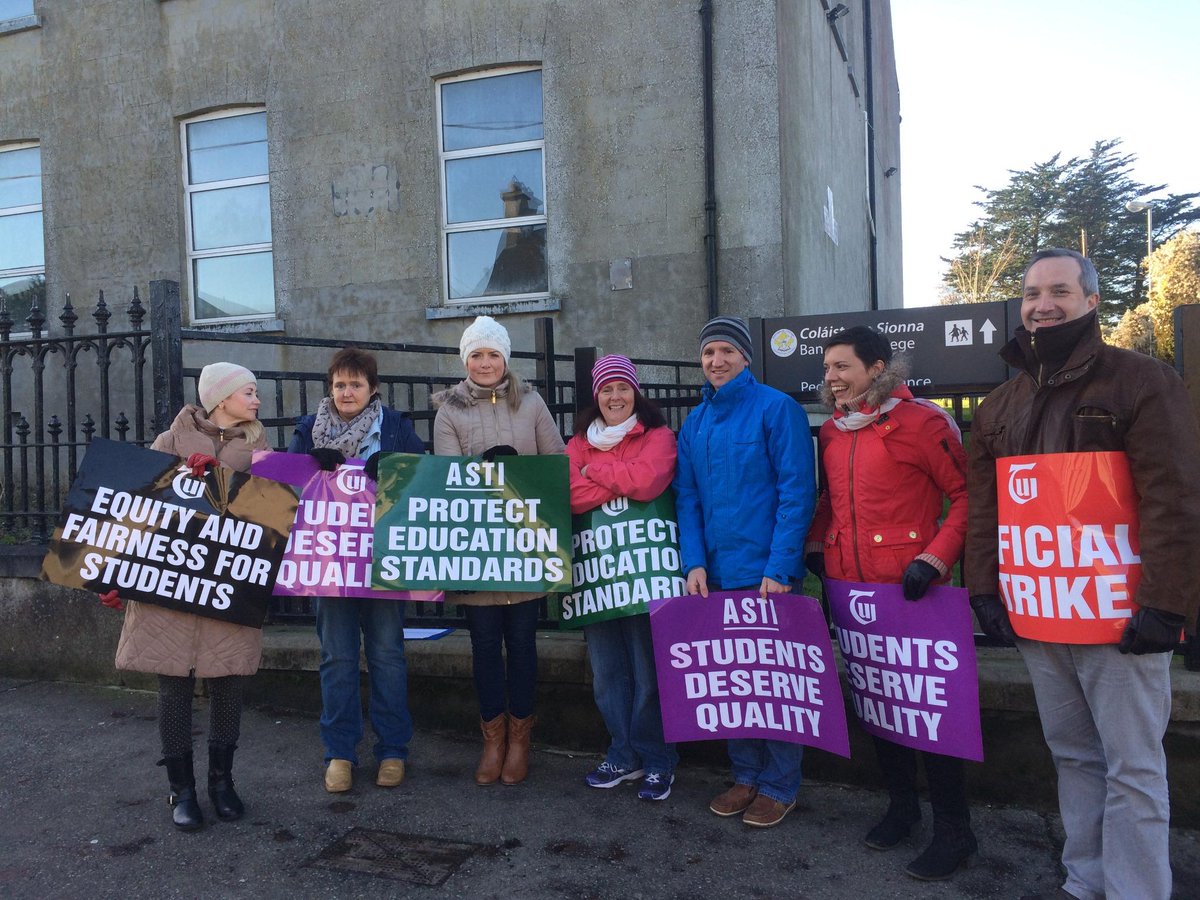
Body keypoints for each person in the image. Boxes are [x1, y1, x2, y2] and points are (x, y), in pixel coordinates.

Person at [966, 248, 1200, 900]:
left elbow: (1175, 497)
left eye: (1060, 290)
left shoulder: (1142, 381)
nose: (1043, 303)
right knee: (1073, 755)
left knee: (1133, 767)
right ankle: (1084, 881)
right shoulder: (1002, 403)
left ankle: (1135, 891)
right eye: (1033, 292)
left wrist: (1167, 603)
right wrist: (984, 587)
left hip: (1122, 618)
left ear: (1092, 301)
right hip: (1043, 615)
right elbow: (988, 506)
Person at [804, 326, 974, 880]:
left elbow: (969, 496)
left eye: (842, 365)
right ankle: (902, 808)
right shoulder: (832, 432)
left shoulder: (923, 423)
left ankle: (955, 829)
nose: (831, 376)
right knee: (878, 705)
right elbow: (832, 500)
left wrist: (937, 557)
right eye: (827, 367)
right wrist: (815, 543)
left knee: (930, 712)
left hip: (913, 590)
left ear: (877, 368)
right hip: (852, 594)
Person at [110, 362, 267, 831]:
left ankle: (222, 783)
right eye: (249, 392)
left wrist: (237, 480)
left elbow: (271, 511)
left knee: (229, 684)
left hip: (226, 589)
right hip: (171, 590)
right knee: (173, 688)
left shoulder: (257, 447)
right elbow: (137, 505)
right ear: (222, 399)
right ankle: (181, 789)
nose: (257, 401)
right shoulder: (170, 440)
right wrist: (118, 573)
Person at [673, 314, 816, 828]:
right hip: (718, 574)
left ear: (746, 357)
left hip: (768, 576)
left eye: (726, 352)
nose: (716, 361)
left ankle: (779, 784)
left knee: (776, 685)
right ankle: (745, 774)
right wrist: (694, 562)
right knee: (734, 682)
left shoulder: (778, 409)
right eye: (709, 353)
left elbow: (798, 492)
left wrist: (780, 566)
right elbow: (686, 498)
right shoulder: (696, 422)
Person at [432, 315, 565, 785]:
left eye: (493, 354)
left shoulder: (530, 403)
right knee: (485, 646)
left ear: (505, 359)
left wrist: (520, 470)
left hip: (524, 546)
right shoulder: (448, 409)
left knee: (524, 645)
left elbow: (558, 463)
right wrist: (479, 471)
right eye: (476, 355)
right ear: (465, 360)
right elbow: (446, 478)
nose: (485, 363)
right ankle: (493, 739)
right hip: (477, 547)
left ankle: (521, 738)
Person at [287, 348, 426, 793]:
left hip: (384, 561)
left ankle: (392, 751)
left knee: (387, 655)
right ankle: (340, 753)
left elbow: (425, 477)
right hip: (328, 563)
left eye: (356, 384)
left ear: (373, 388)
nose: (348, 392)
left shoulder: (396, 427)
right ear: (331, 389)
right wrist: (312, 464)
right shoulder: (309, 429)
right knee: (337, 658)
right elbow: (287, 487)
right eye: (340, 385)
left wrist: (395, 469)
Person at [567, 354, 680, 801]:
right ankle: (622, 752)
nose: (615, 396)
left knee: (648, 671)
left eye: (623, 387)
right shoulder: (577, 441)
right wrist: (619, 478)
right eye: (607, 388)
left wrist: (594, 470)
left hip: (645, 574)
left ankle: (657, 759)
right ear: (596, 396)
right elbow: (568, 494)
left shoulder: (659, 435)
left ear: (636, 392)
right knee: (607, 672)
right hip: (597, 575)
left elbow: (651, 480)